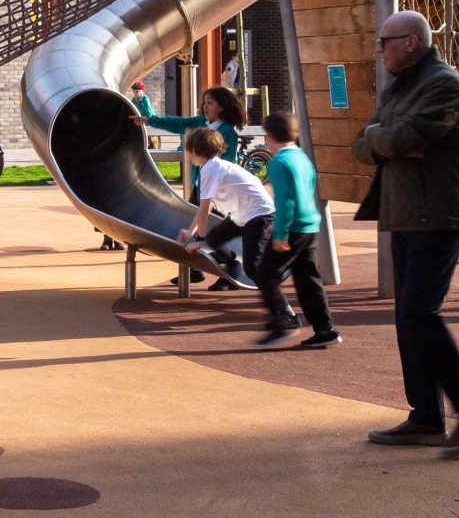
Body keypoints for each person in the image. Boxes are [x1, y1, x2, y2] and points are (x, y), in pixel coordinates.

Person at [353, 9, 459, 459]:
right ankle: (426, 416)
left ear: (411, 42)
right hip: (404, 213)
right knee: (406, 315)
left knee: (419, 312)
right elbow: (365, 145)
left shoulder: (444, 82)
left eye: (385, 42)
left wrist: (389, 138)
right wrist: (387, 137)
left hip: (438, 212)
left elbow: (405, 137)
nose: (379, 51)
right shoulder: (400, 84)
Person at [137, 83, 251, 283]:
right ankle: (195, 269)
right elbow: (178, 123)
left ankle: (228, 267)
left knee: (213, 230)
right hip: (200, 185)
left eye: (210, 103)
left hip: (217, 190)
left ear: (221, 107)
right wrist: (150, 120)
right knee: (194, 223)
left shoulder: (227, 132)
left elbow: (227, 162)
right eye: (204, 103)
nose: (205, 107)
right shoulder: (201, 122)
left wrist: (214, 188)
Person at [178, 126, 284, 337]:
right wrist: (190, 230)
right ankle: (230, 258)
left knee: (253, 269)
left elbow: (205, 208)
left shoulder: (209, 169)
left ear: (195, 151)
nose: (187, 154)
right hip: (243, 215)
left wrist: (198, 238)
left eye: (188, 150)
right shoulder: (215, 166)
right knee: (217, 237)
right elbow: (203, 208)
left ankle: (283, 311)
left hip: (258, 215)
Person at [259, 112, 338, 348]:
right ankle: (325, 329)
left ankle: (281, 321)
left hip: (292, 227)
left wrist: (280, 232)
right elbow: (306, 190)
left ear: (271, 136)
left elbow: (285, 200)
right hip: (309, 224)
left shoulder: (279, 162)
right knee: (308, 279)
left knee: (265, 274)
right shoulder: (302, 157)